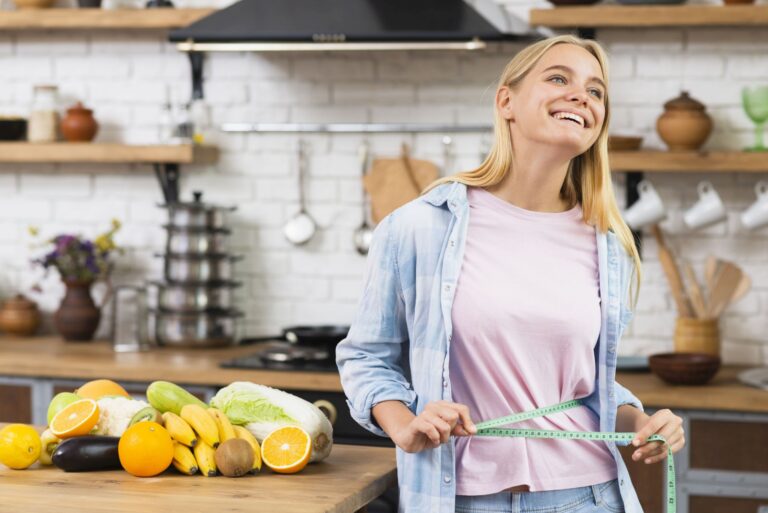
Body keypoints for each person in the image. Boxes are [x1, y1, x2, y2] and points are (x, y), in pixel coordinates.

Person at [336, 35, 685, 513]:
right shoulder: (420, 226)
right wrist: (404, 423)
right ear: (507, 102)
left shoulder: (608, 244)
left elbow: (583, 388)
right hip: (456, 497)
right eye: (559, 78)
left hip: (587, 496)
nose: (582, 96)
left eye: (596, 91)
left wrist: (640, 420)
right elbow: (366, 358)